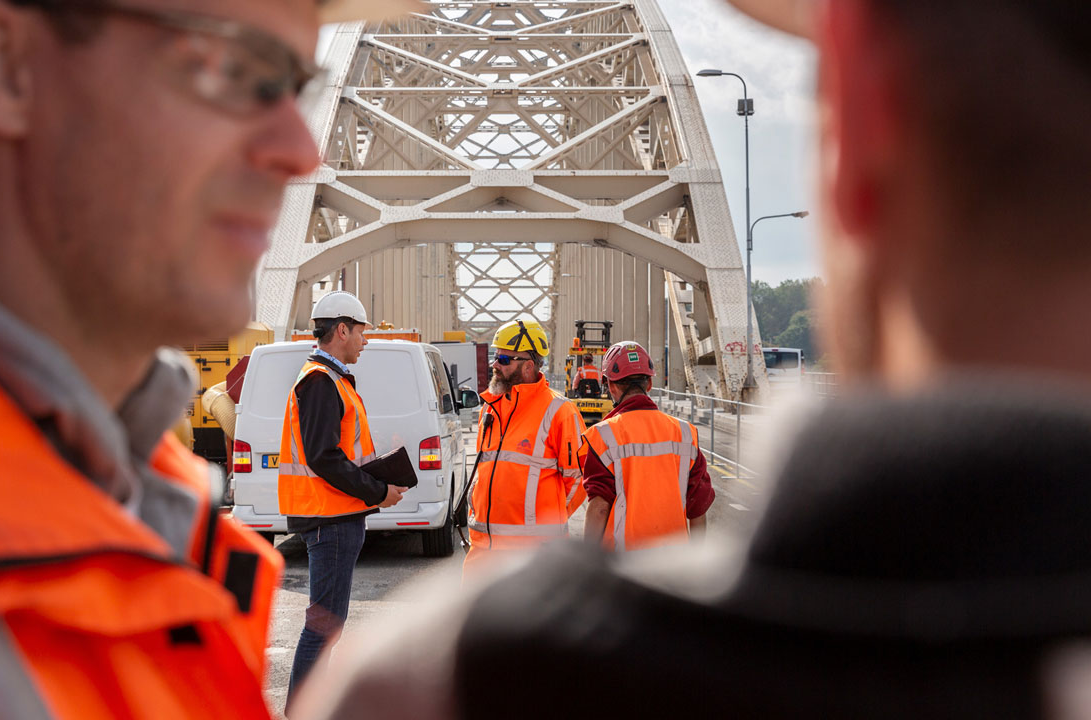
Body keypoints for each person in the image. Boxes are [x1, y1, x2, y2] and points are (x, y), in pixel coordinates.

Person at [289, 0, 1091, 717]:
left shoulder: (445, 676)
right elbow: (694, 500)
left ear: (858, 109)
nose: (502, 370)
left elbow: (602, 498)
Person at [0, 0, 414, 718]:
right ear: (2, 67)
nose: (300, 152)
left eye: (298, 88)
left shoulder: (163, 507)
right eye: (234, 69)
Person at [278, 290, 406, 706]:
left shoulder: (329, 380)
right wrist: (378, 491)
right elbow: (323, 458)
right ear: (342, 329)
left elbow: (332, 453)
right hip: (328, 519)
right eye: (362, 332)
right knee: (324, 625)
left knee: (325, 623)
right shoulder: (320, 381)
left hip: (332, 515)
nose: (365, 341)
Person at [463, 320, 585, 575]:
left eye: (504, 359)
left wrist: (543, 523)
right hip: (482, 552)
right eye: (496, 357)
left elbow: (578, 481)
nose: (495, 364)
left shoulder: (560, 412)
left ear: (528, 366)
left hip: (534, 558)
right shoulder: (490, 408)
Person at [582, 341, 713, 550]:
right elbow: (698, 509)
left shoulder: (603, 436)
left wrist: (587, 561)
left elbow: (599, 508)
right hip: (672, 565)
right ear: (649, 384)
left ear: (610, 385)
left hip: (622, 565)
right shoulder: (685, 433)